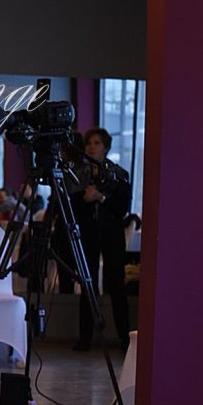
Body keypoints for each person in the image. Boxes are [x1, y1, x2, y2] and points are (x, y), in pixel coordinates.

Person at [71, 128, 132, 352]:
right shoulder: (77, 174)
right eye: (89, 143)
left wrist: (101, 197)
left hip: (112, 233)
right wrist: (85, 199)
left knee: (116, 283)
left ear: (106, 147)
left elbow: (121, 208)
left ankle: (125, 337)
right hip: (88, 232)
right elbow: (72, 206)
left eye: (97, 143)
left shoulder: (119, 174)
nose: (92, 147)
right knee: (87, 283)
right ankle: (85, 337)